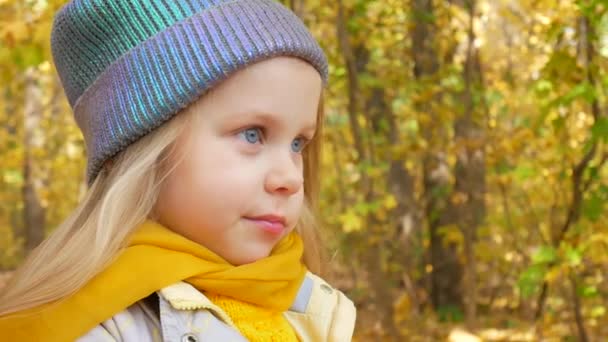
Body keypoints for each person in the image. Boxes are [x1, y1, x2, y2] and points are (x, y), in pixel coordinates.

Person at [0, 0, 356, 340]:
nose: (291, 179)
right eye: (252, 135)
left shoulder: (304, 303)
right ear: (144, 151)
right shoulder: (84, 325)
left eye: (298, 143)